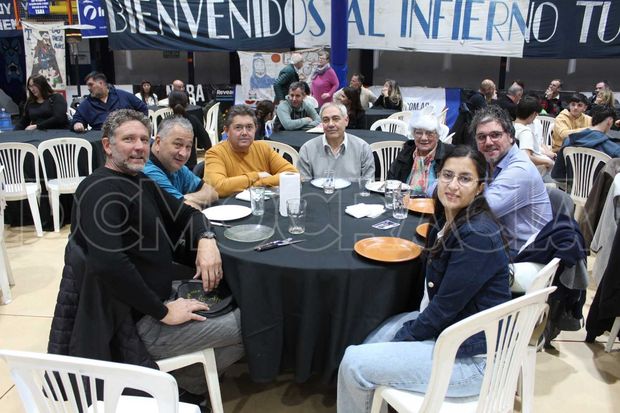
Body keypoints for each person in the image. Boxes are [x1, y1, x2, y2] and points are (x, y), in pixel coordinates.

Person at [70, 109, 244, 396]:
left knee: (235, 294)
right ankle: (181, 390)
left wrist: (207, 238)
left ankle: (184, 375)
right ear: (107, 145)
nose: (139, 146)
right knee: (251, 322)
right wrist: (163, 312)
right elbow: (109, 264)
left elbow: (187, 215)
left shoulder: (140, 181)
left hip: (158, 295)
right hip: (134, 320)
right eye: (128, 139)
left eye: (142, 138)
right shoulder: (99, 191)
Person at [337, 146, 512, 413]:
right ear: (436, 177)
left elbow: (443, 309)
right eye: (447, 175)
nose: (453, 185)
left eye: (465, 178)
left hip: (472, 357)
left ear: (479, 188)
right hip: (449, 333)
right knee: (368, 343)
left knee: (355, 363)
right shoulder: (444, 220)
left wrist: (404, 338)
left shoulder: (477, 235)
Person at [472, 105, 552, 255]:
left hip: (524, 254)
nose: (488, 142)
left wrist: (447, 189)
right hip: (501, 241)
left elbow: (480, 210)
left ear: (510, 136)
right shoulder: (491, 161)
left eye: (495, 135)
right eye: (481, 137)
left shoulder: (520, 170)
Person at [204, 105, 298, 197]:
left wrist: (261, 182)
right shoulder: (215, 153)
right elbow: (217, 187)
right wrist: (256, 175)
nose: (244, 133)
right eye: (238, 127)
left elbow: (292, 174)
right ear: (226, 131)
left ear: (255, 129)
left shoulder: (263, 148)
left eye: (249, 127)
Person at [144, 116, 218, 210]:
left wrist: (185, 198)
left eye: (188, 147)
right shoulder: (148, 171)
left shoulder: (174, 165)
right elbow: (183, 208)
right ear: (158, 143)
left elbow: (212, 193)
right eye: (177, 145)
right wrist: (183, 201)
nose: (183, 153)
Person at [298, 103, 374, 181]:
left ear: (346, 120)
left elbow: (368, 184)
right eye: (326, 120)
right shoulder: (307, 149)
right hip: (317, 193)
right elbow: (305, 186)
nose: (330, 124)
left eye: (336, 119)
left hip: (353, 193)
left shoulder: (362, 148)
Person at [387, 113, 453, 197]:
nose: (424, 138)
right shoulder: (406, 154)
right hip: (405, 204)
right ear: (413, 134)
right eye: (419, 133)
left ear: (437, 136)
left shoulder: (448, 156)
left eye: (429, 133)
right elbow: (391, 181)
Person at [552, 105, 620, 184]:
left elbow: (557, 175)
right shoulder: (614, 149)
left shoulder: (568, 141)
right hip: (600, 195)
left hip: (572, 192)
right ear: (609, 122)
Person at [71, 72, 147, 132]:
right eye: (88, 85)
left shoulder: (122, 95)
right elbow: (77, 118)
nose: (88, 88)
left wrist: (138, 125)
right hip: (100, 138)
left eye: (91, 85)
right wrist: (77, 124)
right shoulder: (87, 103)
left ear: (101, 83)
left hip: (126, 134)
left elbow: (142, 108)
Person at [168, 90, 210, 170]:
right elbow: (207, 143)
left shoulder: (166, 122)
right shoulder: (193, 120)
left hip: (170, 167)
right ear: (187, 104)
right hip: (190, 166)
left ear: (169, 105)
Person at [514, 96, 555, 174]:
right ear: (533, 114)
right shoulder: (525, 132)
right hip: (526, 172)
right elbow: (526, 157)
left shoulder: (511, 127)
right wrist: (548, 162)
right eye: (536, 115)